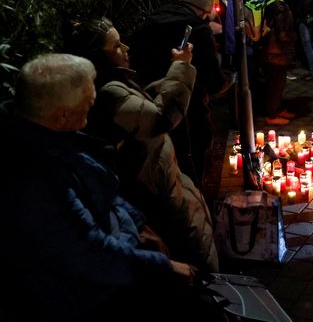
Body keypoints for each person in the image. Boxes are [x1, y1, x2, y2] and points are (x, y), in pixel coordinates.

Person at [0, 54, 218, 322]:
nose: (91, 109)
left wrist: (138, 223)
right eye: (87, 104)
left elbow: (104, 191)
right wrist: (164, 266)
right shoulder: (34, 180)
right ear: (63, 114)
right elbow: (89, 252)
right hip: (85, 301)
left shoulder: (58, 138)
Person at [64, 18, 219, 272]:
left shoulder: (116, 83)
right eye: (115, 46)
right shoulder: (109, 93)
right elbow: (160, 117)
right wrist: (181, 68)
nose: (125, 48)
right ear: (97, 56)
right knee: (196, 263)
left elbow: (144, 104)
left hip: (168, 188)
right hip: (158, 198)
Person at [129, 0, 232, 182]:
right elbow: (214, 83)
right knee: (191, 170)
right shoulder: (199, 31)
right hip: (189, 113)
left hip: (151, 104)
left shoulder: (151, 22)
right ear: (203, 10)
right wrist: (229, 77)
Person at [248, 0, 297, 126]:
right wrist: (293, 38)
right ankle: (271, 114)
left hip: (266, 49)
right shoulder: (280, 6)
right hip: (276, 51)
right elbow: (282, 33)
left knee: (273, 82)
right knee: (277, 83)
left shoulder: (268, 1)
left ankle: (276, 108)